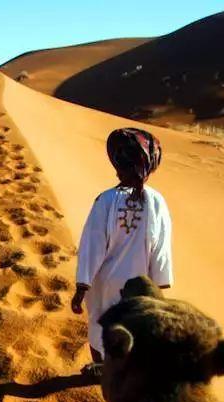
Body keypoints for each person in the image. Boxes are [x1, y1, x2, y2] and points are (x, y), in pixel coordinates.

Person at [70, 127, 173, 375]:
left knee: (99, 329)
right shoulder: (157, 201)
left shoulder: (105, 200)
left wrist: (81, 287)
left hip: (105, 284)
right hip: (140, 287)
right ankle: (122, 375)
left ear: (118, 164)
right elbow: (162, 249)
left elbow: (92, 246)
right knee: (132, 334)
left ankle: (104, 371)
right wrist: (159, 285)